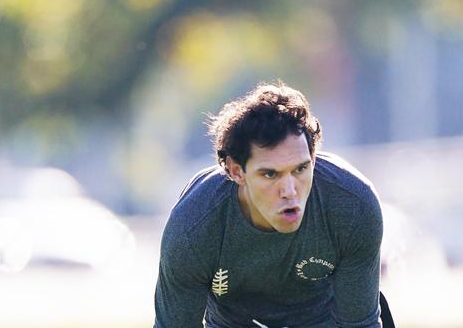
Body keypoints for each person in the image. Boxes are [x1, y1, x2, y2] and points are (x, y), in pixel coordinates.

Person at [153, 81, 386, 327]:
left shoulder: (353, 205)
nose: (289, 191)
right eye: (270, 174)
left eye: (300, 169)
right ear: (236, 171)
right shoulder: (193, 227)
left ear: (313, 160)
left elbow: (360, 324)